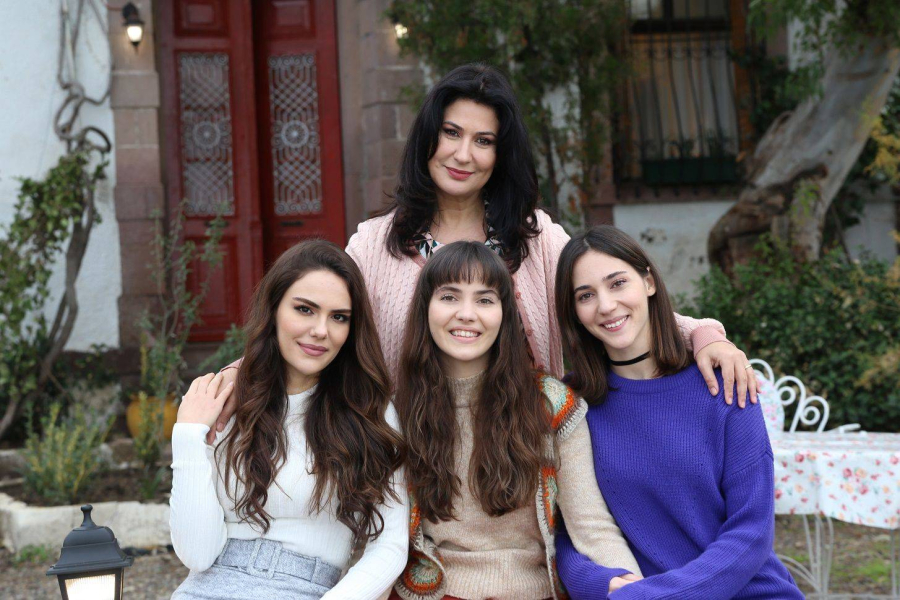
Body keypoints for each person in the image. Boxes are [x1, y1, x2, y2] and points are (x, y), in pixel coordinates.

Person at [210, 63, 757, 441]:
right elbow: (320, 319)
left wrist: (705, 335)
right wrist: (241, 370)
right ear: (428, 137)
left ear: (501, 154)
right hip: (411, 460)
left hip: (527, 458)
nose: (462, 154)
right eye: (451, 133)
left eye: (484, 140)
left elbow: (609, 304)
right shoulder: (375, 245)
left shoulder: (537, 240)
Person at [552, 226, 803, 599]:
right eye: (585, 295)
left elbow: (751, 533)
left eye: (618, 283)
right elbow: (568, 528)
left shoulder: (723, 381)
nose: (605, 305)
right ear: (574, 311)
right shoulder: (571, 404)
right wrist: (596, 583)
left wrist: (653, 596)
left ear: (649, 282)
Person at [391, 241, 644, 600]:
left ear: (505, 314)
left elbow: (591, 527)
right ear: (425, 309)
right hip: (433, 591)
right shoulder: (397, 413)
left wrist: (637, 591)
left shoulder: (550, 404)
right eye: (449, 297)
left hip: (534, 591)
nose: (466, 314)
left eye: (484, 300)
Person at [169, 240, 408, 600]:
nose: (321, 330)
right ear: (274, 309)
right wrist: (188, 436)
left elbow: (390, 545)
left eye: (339, 317)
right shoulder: (225, 401)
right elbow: (197, 555)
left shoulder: (369, 412)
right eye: (304, 309)